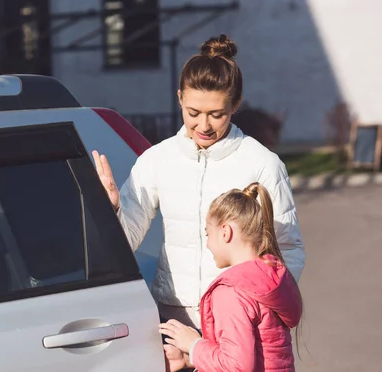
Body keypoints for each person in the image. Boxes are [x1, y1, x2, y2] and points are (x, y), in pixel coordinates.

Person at [92, 34, 305, 370]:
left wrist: (252, 310)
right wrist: (111, 210)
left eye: (216, 114)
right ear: (179, 99)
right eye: (193, 112)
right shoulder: (157, 159)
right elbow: (125, 240)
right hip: (173, 331)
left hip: (238, 332)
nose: (203, 125)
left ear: (235, 105)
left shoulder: (262, 164)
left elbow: (288, 251)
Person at [158, 182, 303, 371]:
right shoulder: (269, 278)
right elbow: (257, 353)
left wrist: (194, 345)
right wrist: (189, 360)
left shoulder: (231, 292)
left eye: (208, 234)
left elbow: (238, 367)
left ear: (225, 232)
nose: (208, 244)